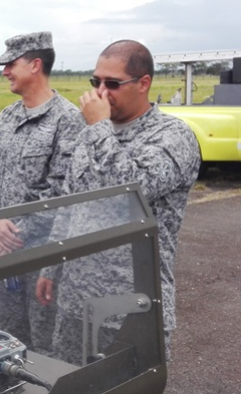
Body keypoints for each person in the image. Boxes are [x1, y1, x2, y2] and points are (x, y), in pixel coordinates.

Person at [36, 40, 201, 365]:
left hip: (132, 309)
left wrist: (98, 127)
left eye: (112, 84)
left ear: (144, 84)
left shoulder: (172, 136)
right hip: (76, 303)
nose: (100, 92)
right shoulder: (88, 137)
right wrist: (51, 265)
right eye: (95, 82)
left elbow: (130, 187)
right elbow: (69, 204)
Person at [0, 31, 84, 356]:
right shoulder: (6, 116)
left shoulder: (68, 120)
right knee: (5, 342)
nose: (5, 71)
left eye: (11, 64)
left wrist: (14, 235)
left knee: (45, 346)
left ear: (36, 64)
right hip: (1, 252)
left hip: (42, 260)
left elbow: (63, 192)